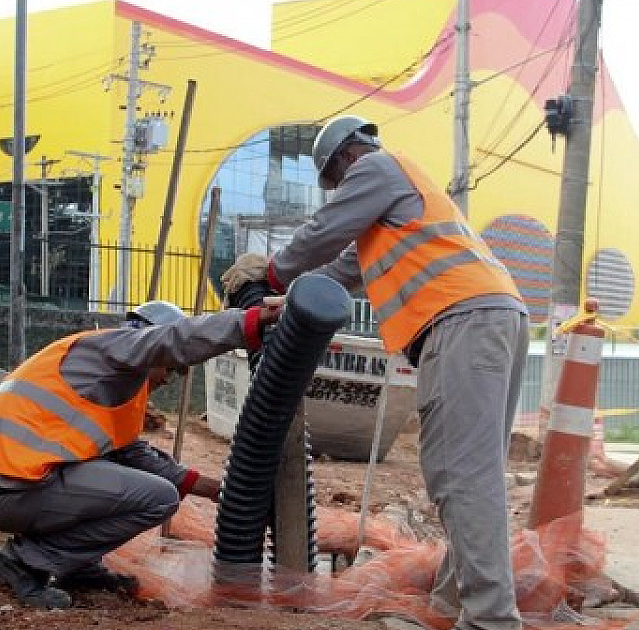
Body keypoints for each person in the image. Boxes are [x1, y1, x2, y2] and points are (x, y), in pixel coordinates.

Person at [221, 115, 529, 630]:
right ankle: (454, 604)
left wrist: (269, 270)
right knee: (472, 473)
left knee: (460, 476)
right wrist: (282, 299)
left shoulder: (377, 168)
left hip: (461, 318)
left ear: (346, 157)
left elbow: (324, 230)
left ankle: (490, 619)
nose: (340, 192)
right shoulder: (393, 213)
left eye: (336, 183)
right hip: (492, 316)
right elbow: (341, 269)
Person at [0, 299, 281, 609]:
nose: (167, 378)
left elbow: (130, 454)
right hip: (12, 486)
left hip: (11, 483)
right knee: (159, 498)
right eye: (170, 368)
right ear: (152, 344)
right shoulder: (113, 348)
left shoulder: (106, 377)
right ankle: (25, 562)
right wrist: (253, 319)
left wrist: (212, 489)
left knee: (130, 485)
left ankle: (77, 565)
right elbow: (176, 339)